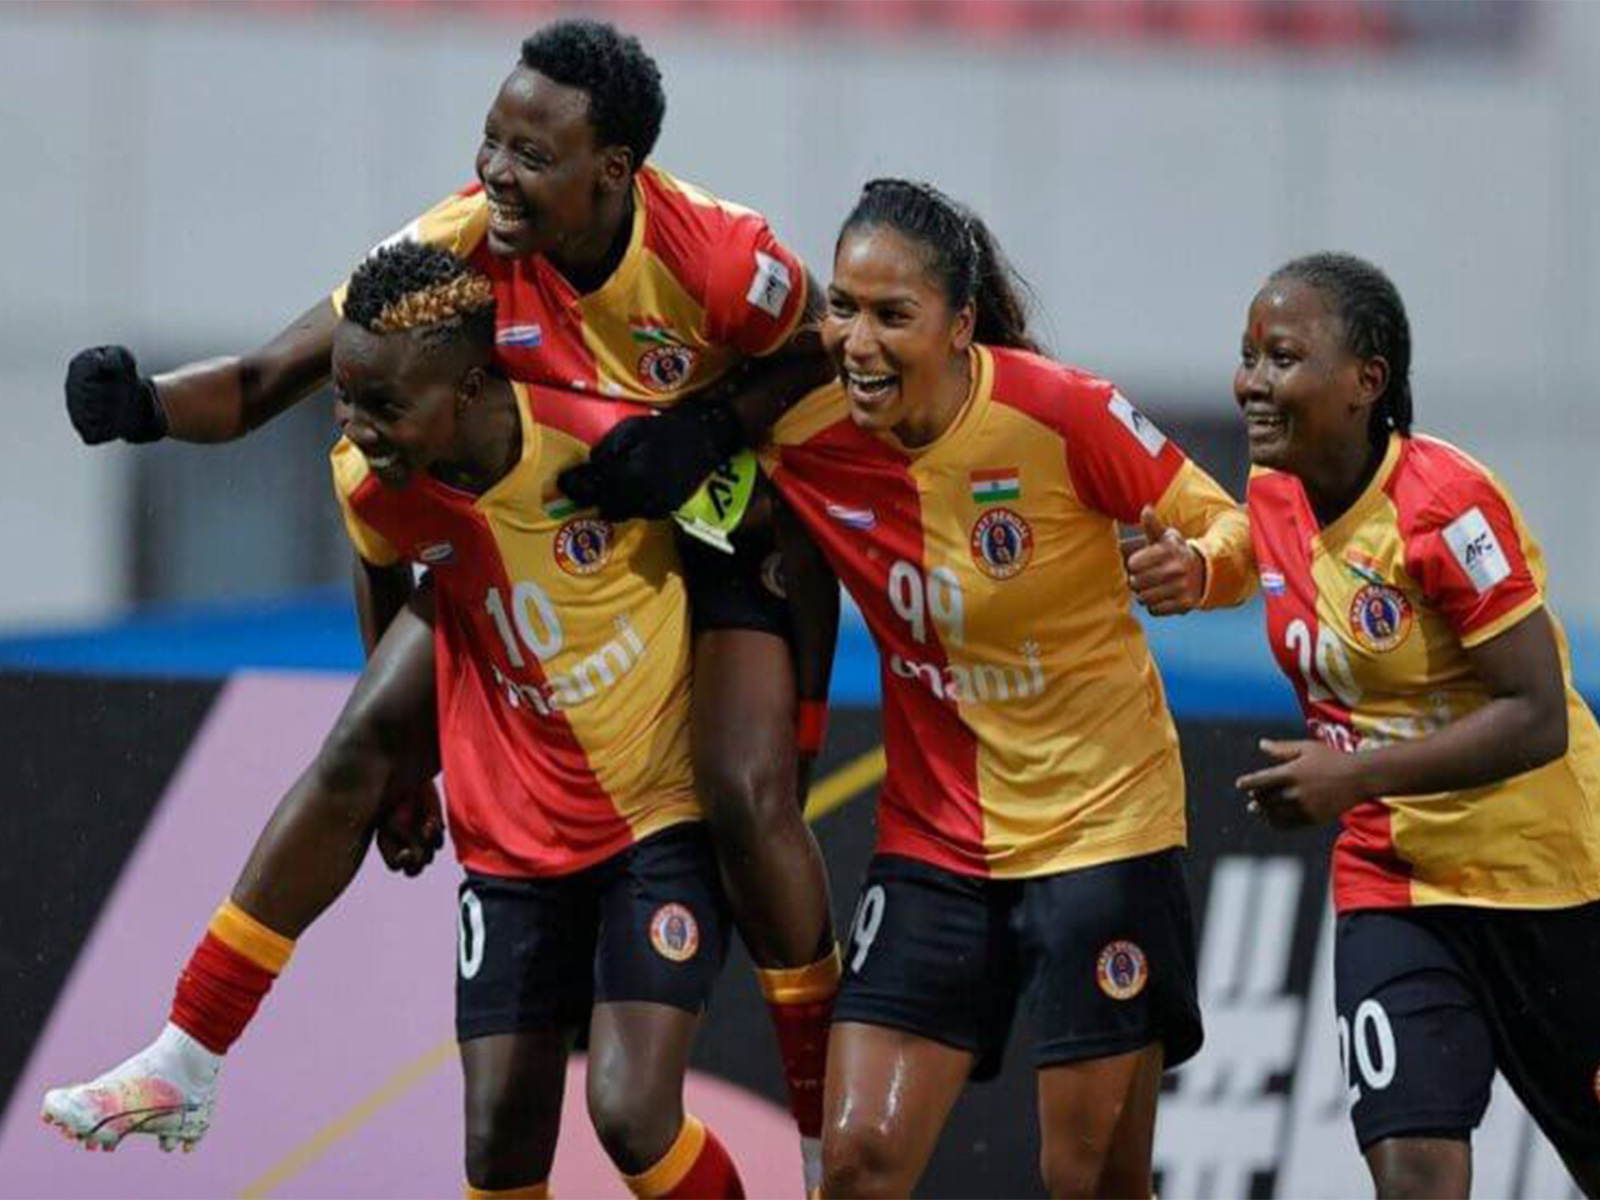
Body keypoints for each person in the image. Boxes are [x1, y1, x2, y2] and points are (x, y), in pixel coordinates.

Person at [60, 19, 840, 1179]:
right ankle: (186, 1054)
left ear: (612, 170)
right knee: (364, 742)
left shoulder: (718, 259)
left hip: (722, 523)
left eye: (531, 153)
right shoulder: (458, 249)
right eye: (490, 141)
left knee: (742, 792)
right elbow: (274, 379)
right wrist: (147, 408)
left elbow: (825, 350)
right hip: (551, 522)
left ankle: (823, 1121)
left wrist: (708, 430)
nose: (495, 172)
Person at [47, 242, 751, 1198]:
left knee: (629, 1114)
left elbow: (753, 537)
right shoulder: (372, 477)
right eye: (344, 398)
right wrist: (411, 776)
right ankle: (187, 1057)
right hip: (514, 830)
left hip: (656, 816)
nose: (356, 426)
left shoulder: (601, 441)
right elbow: (379, 557)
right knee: (498, 1145)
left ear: (468, 389)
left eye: (382, 405)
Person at [756, 179, 1257, 1198]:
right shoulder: (803, 436)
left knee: (1088, 1179)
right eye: (843, 308)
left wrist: (1198, 569)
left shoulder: (1061, 410)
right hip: (931, 843)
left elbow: (1231, 528)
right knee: (856, 1163)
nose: (857, 341)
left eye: (892, 315)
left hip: (1102, 829)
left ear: (960, 325)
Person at [1233, 252, 1600, 1198]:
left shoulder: (1446, 506)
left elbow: (1537, 717)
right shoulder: (1272, 493)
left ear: (1367, 381)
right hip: (1393, 886)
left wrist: (1351, 776)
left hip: (1551, 883)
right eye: (1249, 357)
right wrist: (1193, 568)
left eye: (1283, 358)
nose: (1253, 383)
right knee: (1414, 1177)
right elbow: (1254, 554)